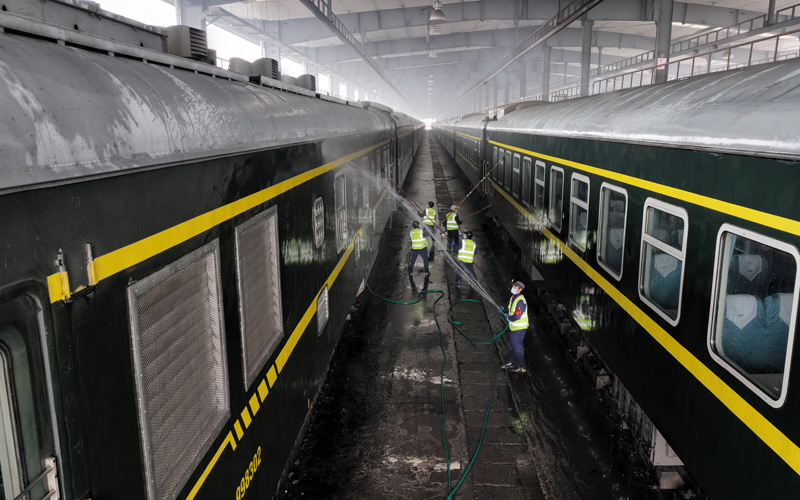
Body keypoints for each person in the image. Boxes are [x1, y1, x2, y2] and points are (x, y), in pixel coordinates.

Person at [498, 280, 529, 373]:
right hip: (514, 327)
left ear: (520, 289)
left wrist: (509, 317)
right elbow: (508, 305)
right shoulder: (513, 297)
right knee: (511, 345)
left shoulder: (520, 302)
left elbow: (517, 316)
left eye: (516, 287)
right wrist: (503, 308)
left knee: (517, 347)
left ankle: (522, 366)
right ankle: (511, 362)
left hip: (519, 328)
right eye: (513, 286)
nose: (513, 288)